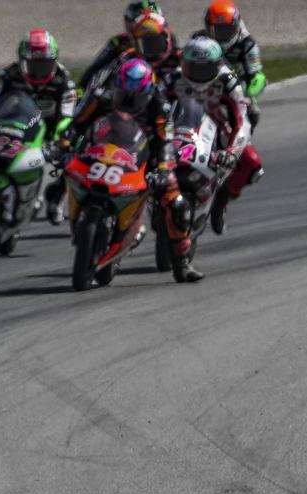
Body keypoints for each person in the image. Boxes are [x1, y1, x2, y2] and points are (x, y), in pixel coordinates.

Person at [70, 58, 199, 283]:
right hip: (100, 152)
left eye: (134, 98)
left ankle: (182, 263)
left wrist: (162, 168)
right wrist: (64, 143)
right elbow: (77, 124)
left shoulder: (160, 107)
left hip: (143, 158)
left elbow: (165, 142)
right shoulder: (101, 97)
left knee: (176, 203)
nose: (127, 102)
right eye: (122, 95)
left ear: (147, 94)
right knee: (67, 172)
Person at [0, 29, 77, 224]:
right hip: (13, 124)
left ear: (54, 61)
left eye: (44, 65)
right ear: (22, 61)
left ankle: (55, 197)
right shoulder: (9, 75)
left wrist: (60, 139)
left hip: (49, 128)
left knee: (73, 155)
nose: (38, 71)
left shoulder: (63, 80)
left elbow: (67, 114)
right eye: (32, 65)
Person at [165, 36, 262, 235]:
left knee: (251, 164)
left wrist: (232, 151)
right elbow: (150, 109)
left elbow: (242, 119)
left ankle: (222, 198)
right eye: (194, 68)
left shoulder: (227, 80)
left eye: (205, 69)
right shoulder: (173, 78)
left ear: (217, 66)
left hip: (218, 126)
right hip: (180, 126)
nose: (199, 75)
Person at [192, 0, 265, 128]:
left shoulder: (247, 44)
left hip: (238, 90)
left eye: (226, 31)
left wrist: (248, 95)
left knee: (252, 115)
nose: (222, 36)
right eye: (217, 31)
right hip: (204, 87)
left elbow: (258, 77)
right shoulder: (199, 40)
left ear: (236, 26)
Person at [81, 5, 180, 89]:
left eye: (156, 43)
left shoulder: (180, 57)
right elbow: (98, 73)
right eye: (145, 44)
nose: (151, 51)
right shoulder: (125, 57)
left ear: (167, 38)